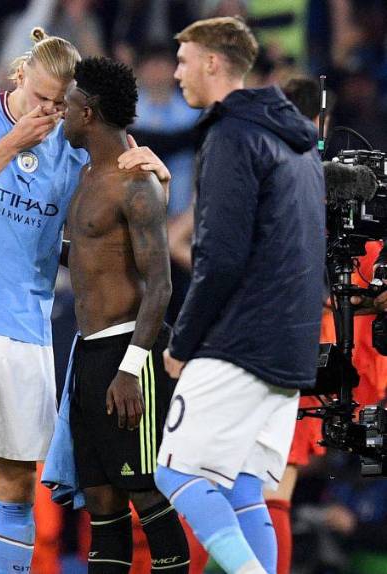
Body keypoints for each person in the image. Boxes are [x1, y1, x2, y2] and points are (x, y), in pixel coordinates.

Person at [0, 28, 165, 573]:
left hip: (28, 322)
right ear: (20, 74)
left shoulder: (69, 146)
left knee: (17, 481)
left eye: (59, 104)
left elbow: (107, 217)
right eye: (40, 97)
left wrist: (154, 178)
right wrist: (12, 143)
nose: (49, 112)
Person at [152, 17, 325, 574]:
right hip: (292, 347)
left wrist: (182, 343)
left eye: (183, 60)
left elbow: (219, 258)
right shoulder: (299, 141)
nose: (176, 72)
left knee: (176, 472)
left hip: (240, 342)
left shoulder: (231, 134)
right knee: (246, 486)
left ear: (212, 62)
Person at [54, 56, 189, 574]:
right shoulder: (88, 175)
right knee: (104, 506)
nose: (62, 114)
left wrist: (132, 367)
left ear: (88, 113)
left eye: (67, 105)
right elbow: (93, 257)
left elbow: (161, 284)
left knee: (146, 492)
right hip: (87, 354)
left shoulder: (136, 183)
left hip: (128, 353)